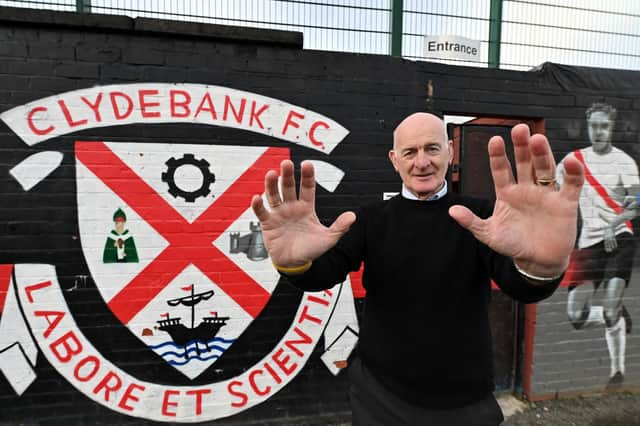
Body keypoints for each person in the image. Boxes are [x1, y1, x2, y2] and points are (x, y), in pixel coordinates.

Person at [251, 112, 584, 425]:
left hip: (465, 402)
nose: (422, 162)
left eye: (432, 149)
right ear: (394, 161)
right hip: (379, 397)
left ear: (450, 152)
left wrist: (541, 267)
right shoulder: (370, 220)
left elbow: (521, 285)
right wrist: (292, 263)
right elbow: (323, 273)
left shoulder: (484, 219)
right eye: (409, 152)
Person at [557, 102, 639, 388]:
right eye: (595, 125)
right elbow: (553, 192)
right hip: (588, 243)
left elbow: (637, 204)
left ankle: (616, 372)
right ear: (588, 125)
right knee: (575, 316)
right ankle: (615, 316)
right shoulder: (573, 161)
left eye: (605, 126)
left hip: (620, 239)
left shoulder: (625, 163)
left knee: (609, 305)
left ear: (611, 127)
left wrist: (615, 224)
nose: (599, 131)